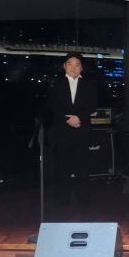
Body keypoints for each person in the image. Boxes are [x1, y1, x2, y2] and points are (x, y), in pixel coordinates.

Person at [46, 52, 98, 202]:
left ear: (81, 68)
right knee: (62, 165)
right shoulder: (55, 83)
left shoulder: (89, 85)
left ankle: (84, 198)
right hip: (61, 130)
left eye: (77, 65)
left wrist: (78, 117)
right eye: (70, 64)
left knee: (83, 164)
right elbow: (52, 104)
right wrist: (67, 118)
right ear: (64, 66)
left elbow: (93, 104)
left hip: (82, 129)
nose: (73, 68)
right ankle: (62, 199)